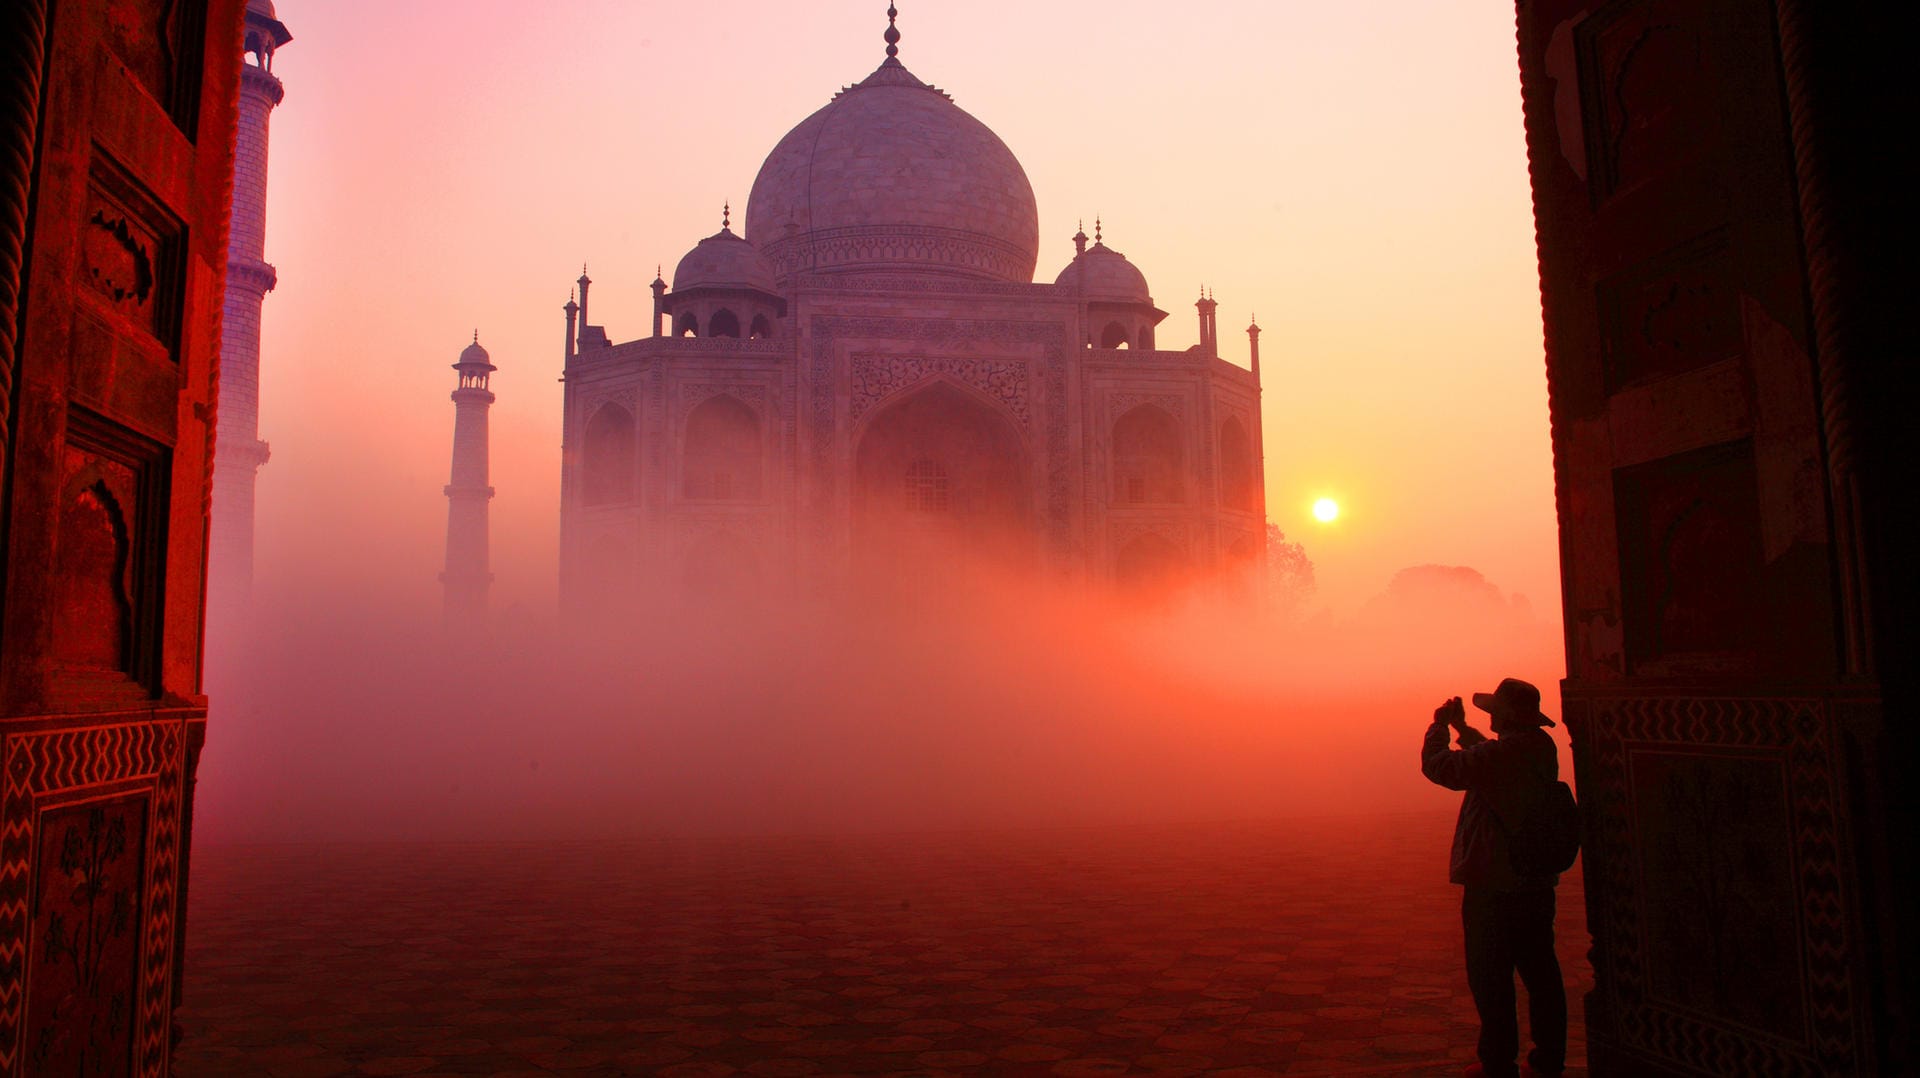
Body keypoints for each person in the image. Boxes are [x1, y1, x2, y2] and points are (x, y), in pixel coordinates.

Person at [1422, 677, 1567, 1078]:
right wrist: (1463, 732)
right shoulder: (1539, 747)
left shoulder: (1504, 755)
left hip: (1496, 883)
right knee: (1541, 973)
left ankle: (1497, 1062)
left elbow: (1441, 768)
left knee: (1491, 976)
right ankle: (1548, 1058)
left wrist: (1437, 728)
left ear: (1504, 716)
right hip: (1535, 882)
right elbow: (1486, 757)